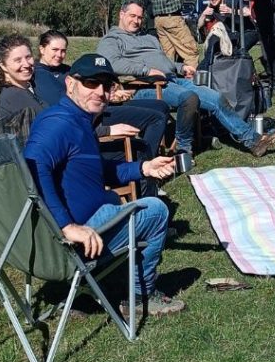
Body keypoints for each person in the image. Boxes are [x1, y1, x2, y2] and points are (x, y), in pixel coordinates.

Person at [24, 54, 185, 316]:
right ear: (70, 84)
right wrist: (66, 226)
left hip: (87, 225)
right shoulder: (59, 123)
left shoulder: (78, 119)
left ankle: (93, 285)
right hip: (74, 237)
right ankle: (140, 295)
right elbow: (33, 167)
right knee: (156, 210)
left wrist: (143, 168)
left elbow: (96, 171)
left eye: (106, 85)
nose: (100, 92)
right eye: (91, 83)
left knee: (119, 201)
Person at [97, 1, 275, 157]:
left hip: (172, 79)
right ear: (121, 14)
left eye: (139, 17)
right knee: (188, 97)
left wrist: (181, 67)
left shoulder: (148, 38)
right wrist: (145, 70)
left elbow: (165, 62)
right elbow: (110, 63)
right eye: (132, 16)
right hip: (146, 87)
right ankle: (183, 148)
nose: (136, 21)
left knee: (216, 97)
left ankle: (253, 141)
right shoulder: (112, 40)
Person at [33, 30, 170, 161]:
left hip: (104, 105)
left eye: (63, 51)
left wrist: (112, 94)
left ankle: (150, 155)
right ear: (42, 49)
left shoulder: (67, 70)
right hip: (94, 117)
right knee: (156, 118)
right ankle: (146, 169)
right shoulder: (39, 75)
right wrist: (105, 129)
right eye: (55, 50)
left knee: (160, 106)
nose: (59, 54)